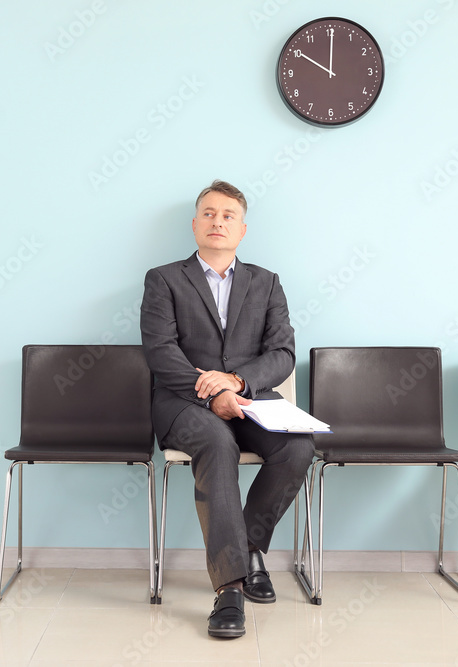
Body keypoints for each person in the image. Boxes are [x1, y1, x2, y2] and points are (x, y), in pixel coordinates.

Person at [140, 179, 314, 638]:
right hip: (183, 404)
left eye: (228, 215)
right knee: (217, 444)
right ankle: (230, 586)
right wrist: (210, 393)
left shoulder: (267, 282)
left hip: (250, 399)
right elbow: (161, 351)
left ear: (242, 229)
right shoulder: (163, 279)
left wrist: (237, 382)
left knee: (297, 447)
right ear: (195, 223)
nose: (219, 221)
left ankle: (250, 547)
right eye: (210, 213)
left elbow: (282, 354)